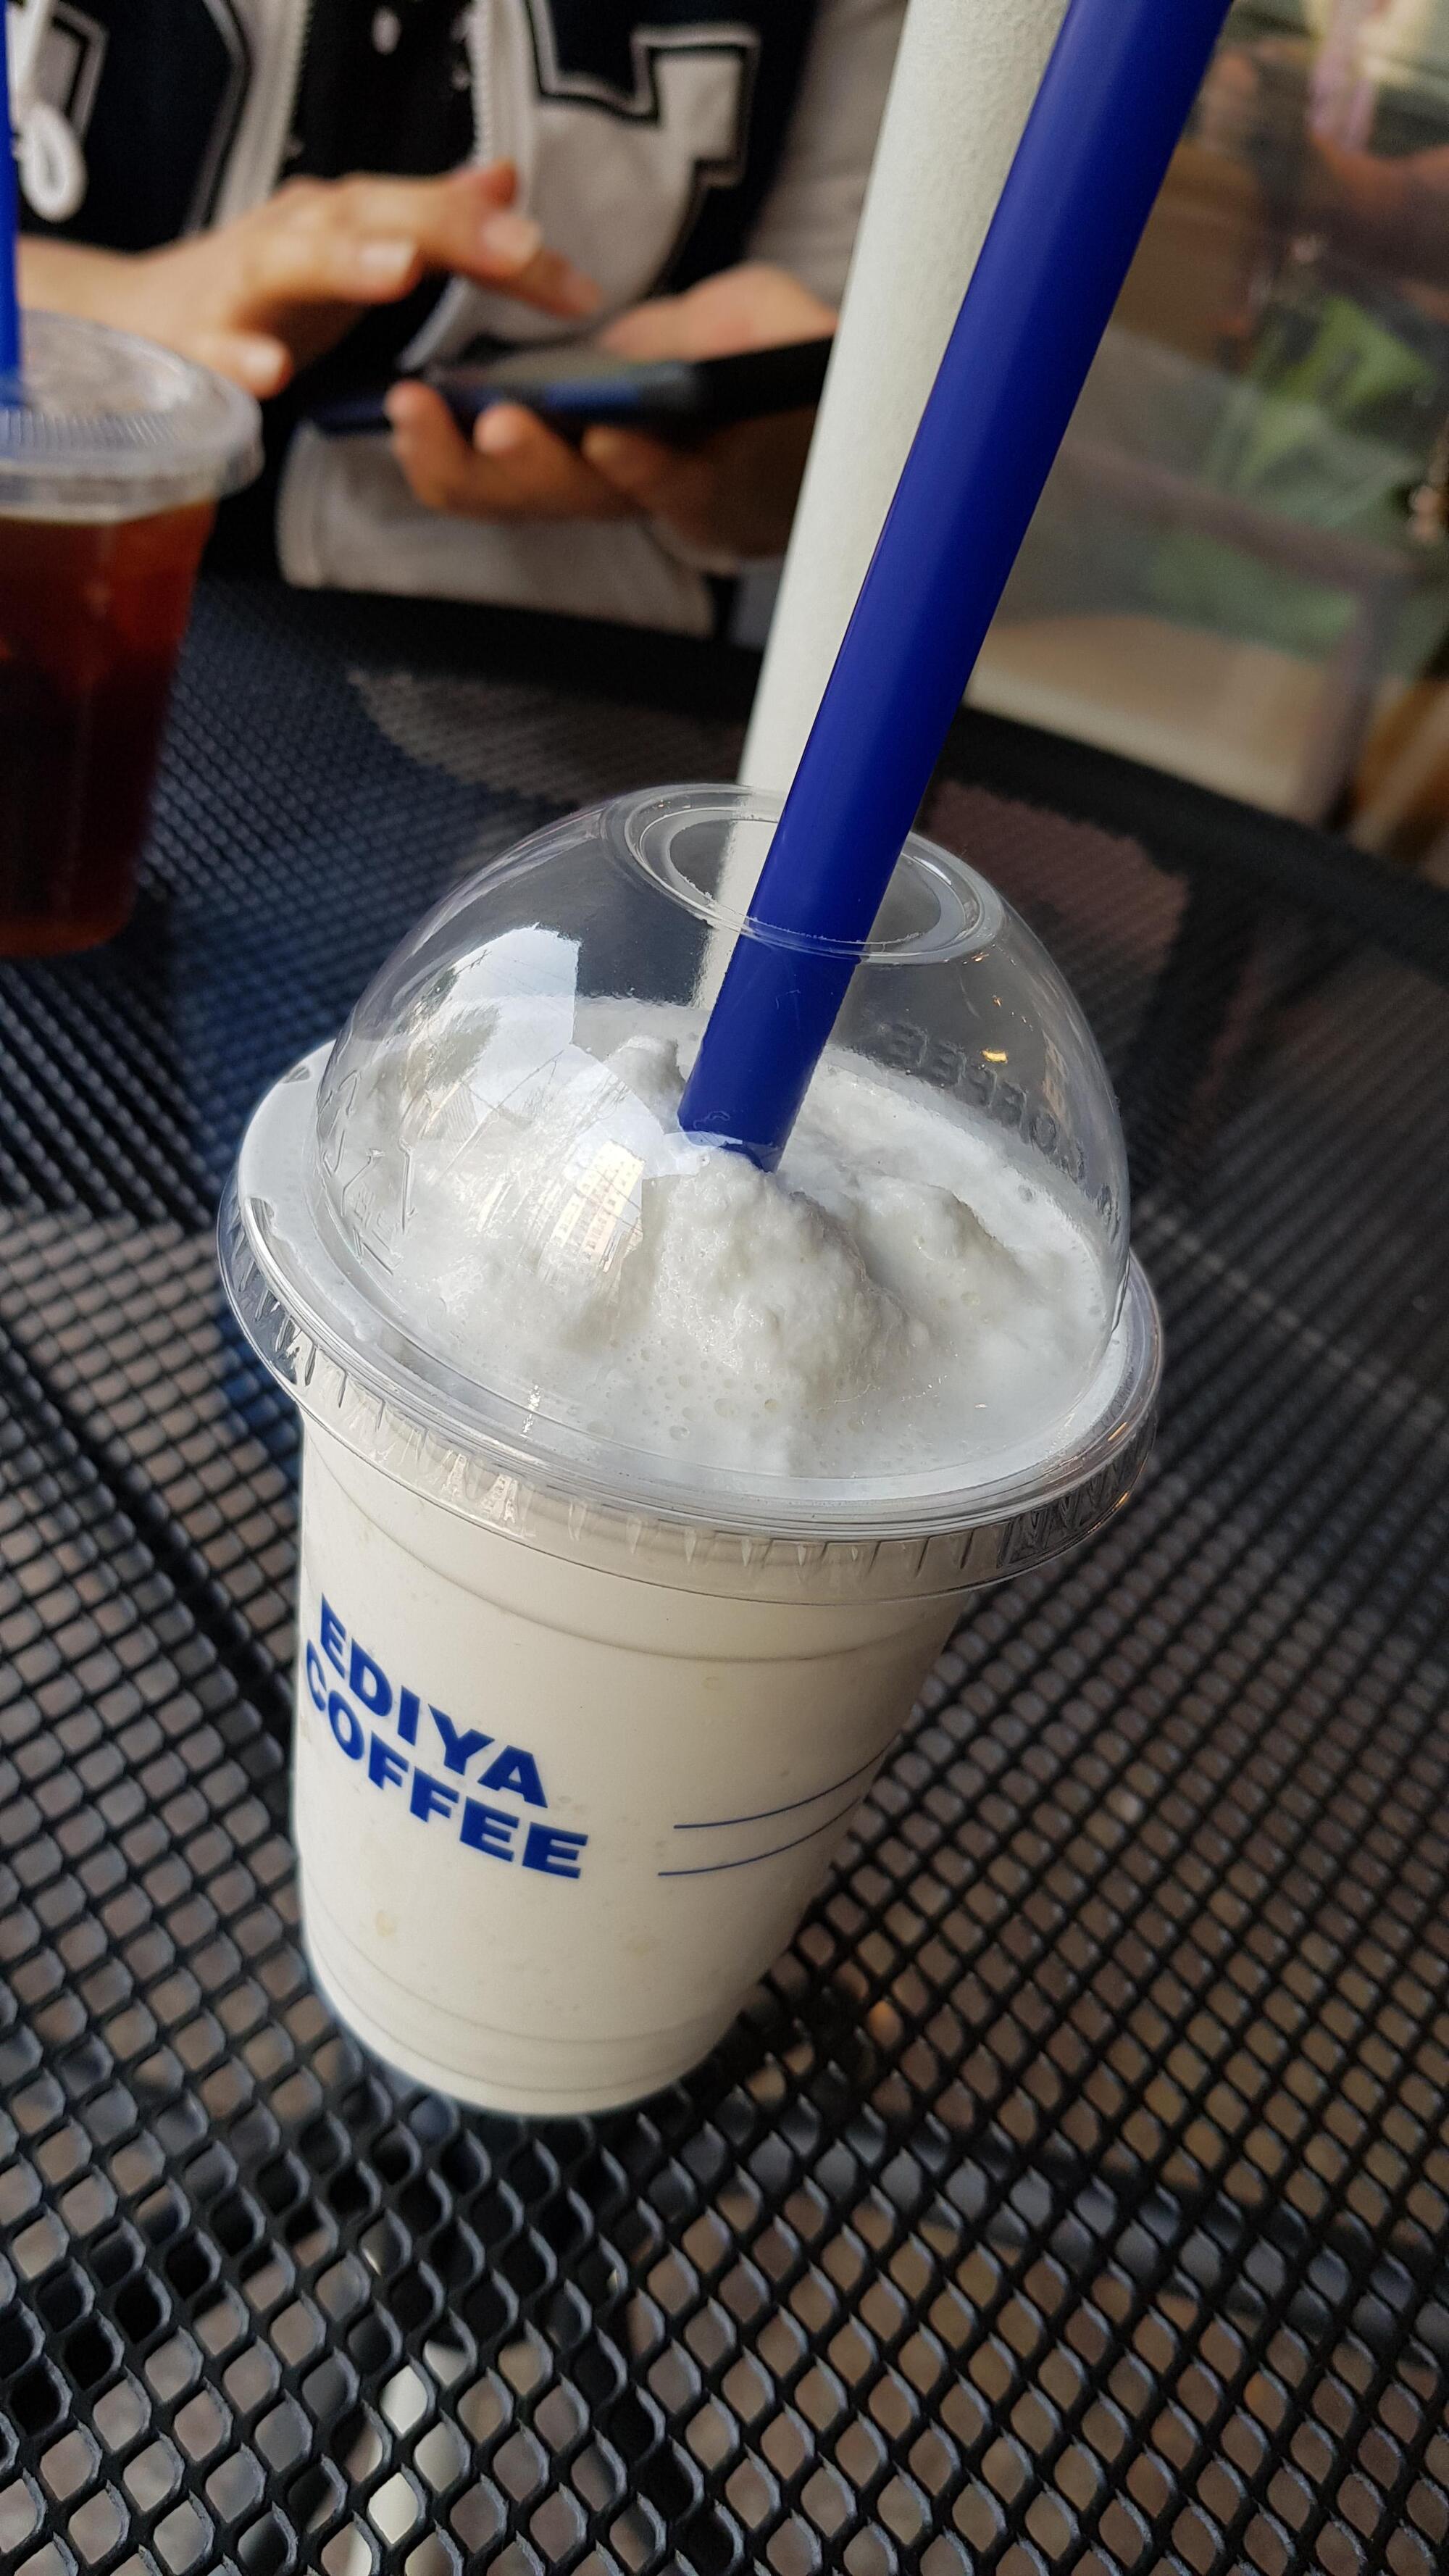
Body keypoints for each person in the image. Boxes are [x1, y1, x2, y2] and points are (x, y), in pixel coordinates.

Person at [13, 0, 904, 631]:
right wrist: (103, 314)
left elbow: (837, 418)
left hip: (563, 700)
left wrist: (791, 462)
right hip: (62, 614)